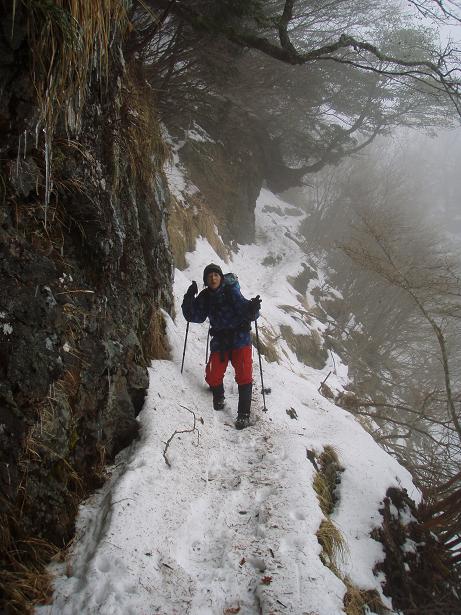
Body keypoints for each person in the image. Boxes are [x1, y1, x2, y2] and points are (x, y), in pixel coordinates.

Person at [182, 263, 261, 430]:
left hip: (240, 338)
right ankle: (219, 396)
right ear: (206, 280)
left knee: (244, 375)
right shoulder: (205, 297)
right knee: (212, 376)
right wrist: (189, 298)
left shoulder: (231, 291)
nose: (213, 278)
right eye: (209, 276)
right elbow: (193, 316)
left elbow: (245, 309)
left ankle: (243, 415)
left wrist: (253, 309)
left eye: (216, 274)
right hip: (220, 341)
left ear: (221, 277)